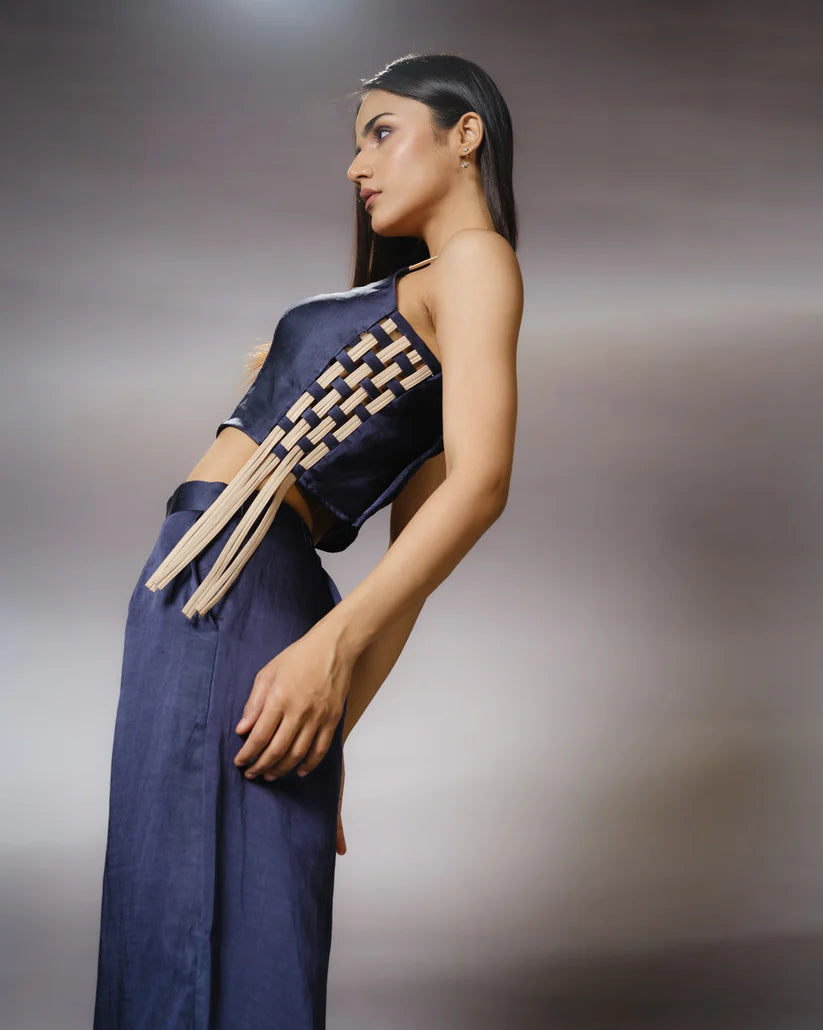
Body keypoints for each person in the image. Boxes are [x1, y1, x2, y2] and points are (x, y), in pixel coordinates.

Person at [93, 51, 523, 1029]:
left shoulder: (475, 262)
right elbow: (412, 565)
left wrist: (331, 656)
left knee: (206, 920)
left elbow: (478, 487)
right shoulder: (420, 290)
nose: (356, 165)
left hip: (234, 588)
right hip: (208, 591)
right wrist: (332, 735)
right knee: (170, 903)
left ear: (465, 134)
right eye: (357, 140)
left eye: (382, 132)